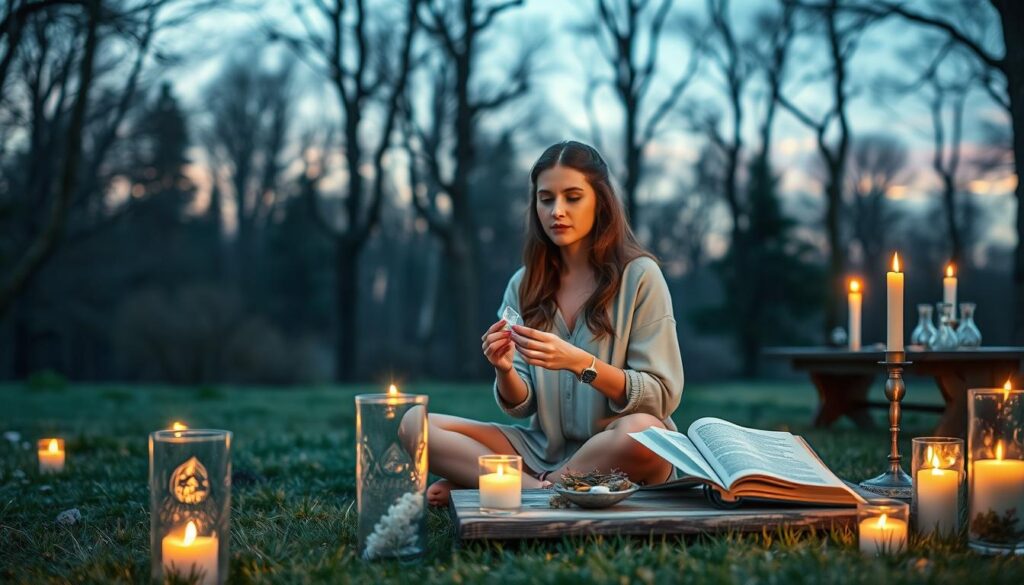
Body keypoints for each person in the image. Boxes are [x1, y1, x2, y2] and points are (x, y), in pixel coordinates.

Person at [412, 140, 684, 507]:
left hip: (619, 449)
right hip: (541, 449)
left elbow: (661, 396)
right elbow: (520, 404)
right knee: (413, 424)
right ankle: (539, 488)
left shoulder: (640, 276)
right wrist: (504, 368)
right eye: (546, 198)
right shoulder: (523, 284)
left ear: (599, 201)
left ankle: (507, 484)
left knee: (646, 431)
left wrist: (579, 363)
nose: (557, 211)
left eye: (573, 197)